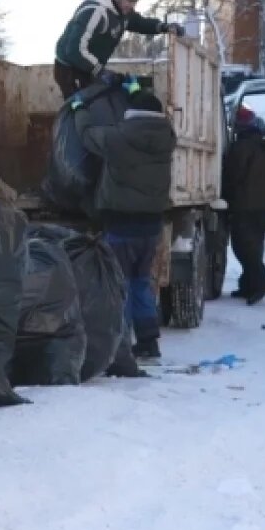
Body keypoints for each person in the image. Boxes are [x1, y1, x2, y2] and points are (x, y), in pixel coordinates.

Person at [72, 82, 176, 363]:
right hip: (151, 226)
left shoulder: (120, 138)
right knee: (141, 282)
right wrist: (133, 90)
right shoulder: (168, 137)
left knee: (119, 284)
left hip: (120, 225)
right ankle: (148, 341)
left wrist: (78, 109)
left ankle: (120, 345)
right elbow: (147, 110)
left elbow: (87, 136)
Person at [54, 0, 185, 99]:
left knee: (98, 102)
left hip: (88, 67)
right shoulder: (95, 12)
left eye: (135, 2)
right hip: (69, 68)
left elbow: (139, 23)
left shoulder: (122, 11)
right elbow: (74, 50)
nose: (132, 5)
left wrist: (164, 27)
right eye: (130, 1)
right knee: (80, 108)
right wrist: (100, 71)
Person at [223, 112, 265, 305]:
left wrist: (225, 193)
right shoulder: (258, 145)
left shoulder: (242, 147)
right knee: (253, 246)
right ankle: (248, 285)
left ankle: (263, 281)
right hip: (261, 205)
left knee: (243, 247)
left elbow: (233, 175)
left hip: (245, 205)